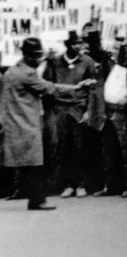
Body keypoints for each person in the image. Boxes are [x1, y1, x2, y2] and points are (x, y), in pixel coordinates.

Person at [0, 38, 95, 210]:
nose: (39, 59)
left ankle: (30, 197)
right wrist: (76, 87)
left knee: (25, 165)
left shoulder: (13, 71)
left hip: (13, 122)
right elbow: (50, 87)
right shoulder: (27, 74)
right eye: (37, 56)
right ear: (28, 56)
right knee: (36, 164)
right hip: (26, 123)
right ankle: (37, 200)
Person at [42, 30, 98, 197]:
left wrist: (89, 110)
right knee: (63, 147)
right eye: (74, 44)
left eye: (80, 43)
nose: (78, 46)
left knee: (79, 146)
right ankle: (67, 184)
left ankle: (81, 184)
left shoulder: (87, 61)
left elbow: (93, 88)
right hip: (60, 108)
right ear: (67, 45)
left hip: (79, 107)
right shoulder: (55, 61)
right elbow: (47, 84)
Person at [93, 33, 127, 198]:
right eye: (114, 48)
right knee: (108, 150)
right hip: (107, 110)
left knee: (125, 150)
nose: (115, 51)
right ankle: (110, 186)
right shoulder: (107, 63)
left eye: (119, 49)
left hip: (122, 111)